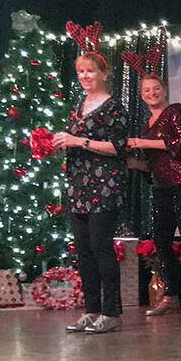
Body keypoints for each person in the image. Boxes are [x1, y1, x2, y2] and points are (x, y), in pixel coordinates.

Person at [54, 47, 129, 334]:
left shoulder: (113, 107)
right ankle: (92, 310)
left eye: (90, 71)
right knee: (84, 251)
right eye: (80, 72)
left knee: (100, 247)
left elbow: (117, 148)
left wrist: (79, 142)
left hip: (104, 186)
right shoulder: (79, 105)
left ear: (104, 74)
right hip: (79, 187)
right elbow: (73, 140)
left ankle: (111, 312)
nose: (84, 76)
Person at [126, 71, 181, 318]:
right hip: (163, 185)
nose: (151, 93)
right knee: (161, 239)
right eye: (146, 91)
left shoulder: (176, 111)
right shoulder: (146, 126)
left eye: (155, 88)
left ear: (164, 89)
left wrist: (141, 143)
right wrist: (134, 163)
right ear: (141, 96)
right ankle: (171, 294)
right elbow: (154, 164)